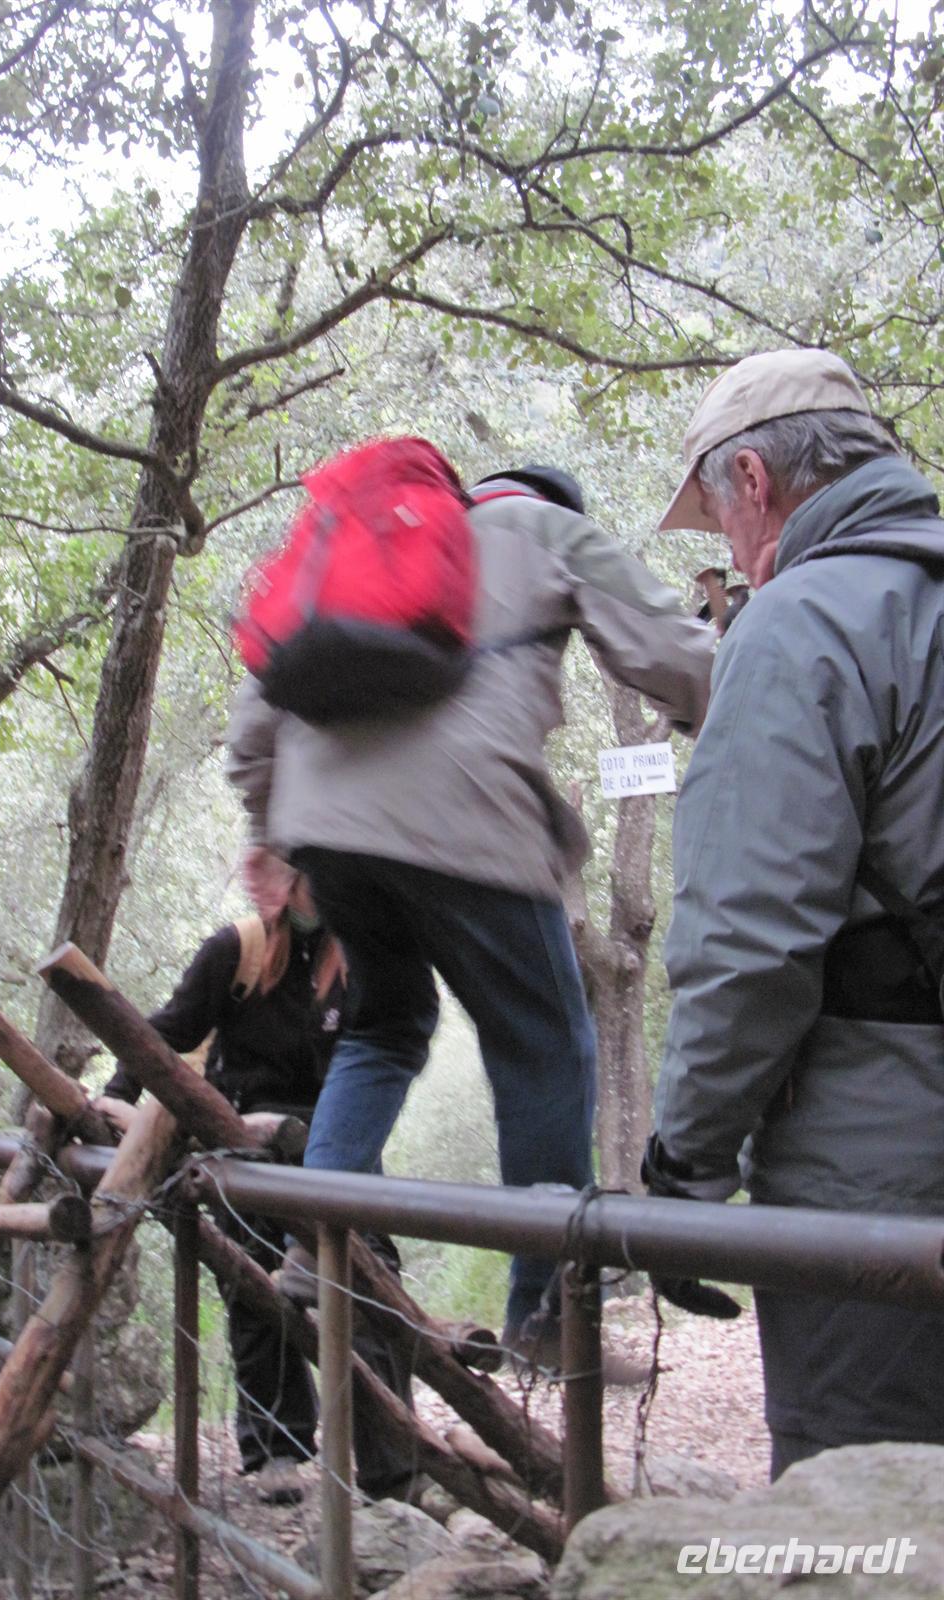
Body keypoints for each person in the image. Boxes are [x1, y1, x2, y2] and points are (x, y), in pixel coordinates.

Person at [227, 461, 715, 1378]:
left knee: (384, 1025)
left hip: (327, 834)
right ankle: (547, 1314)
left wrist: (270, 831)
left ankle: (317, 1246)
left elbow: (258, 707)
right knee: (545, 1045)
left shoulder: (367, 548)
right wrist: (741, 709)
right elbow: (674, 653)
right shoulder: (548, 530)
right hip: (472, 822)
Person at [644, 347, 944, 1478]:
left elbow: (751, 946)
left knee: (863, 1517)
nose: (727, 552)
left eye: (718, 515)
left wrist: (685, 1168)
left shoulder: (799, 626)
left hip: (883, 1176)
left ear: (754, 481)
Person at [94, 876, 417, 1504]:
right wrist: (115, 1097)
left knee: (372, 1284)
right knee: (254, 1289)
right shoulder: (235, 951)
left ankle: (393, 1471)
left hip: (339, 1150)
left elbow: (383, 1053)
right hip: (241, 1145)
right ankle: (276, 1450)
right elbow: (166, 1032)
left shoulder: (361, 958)